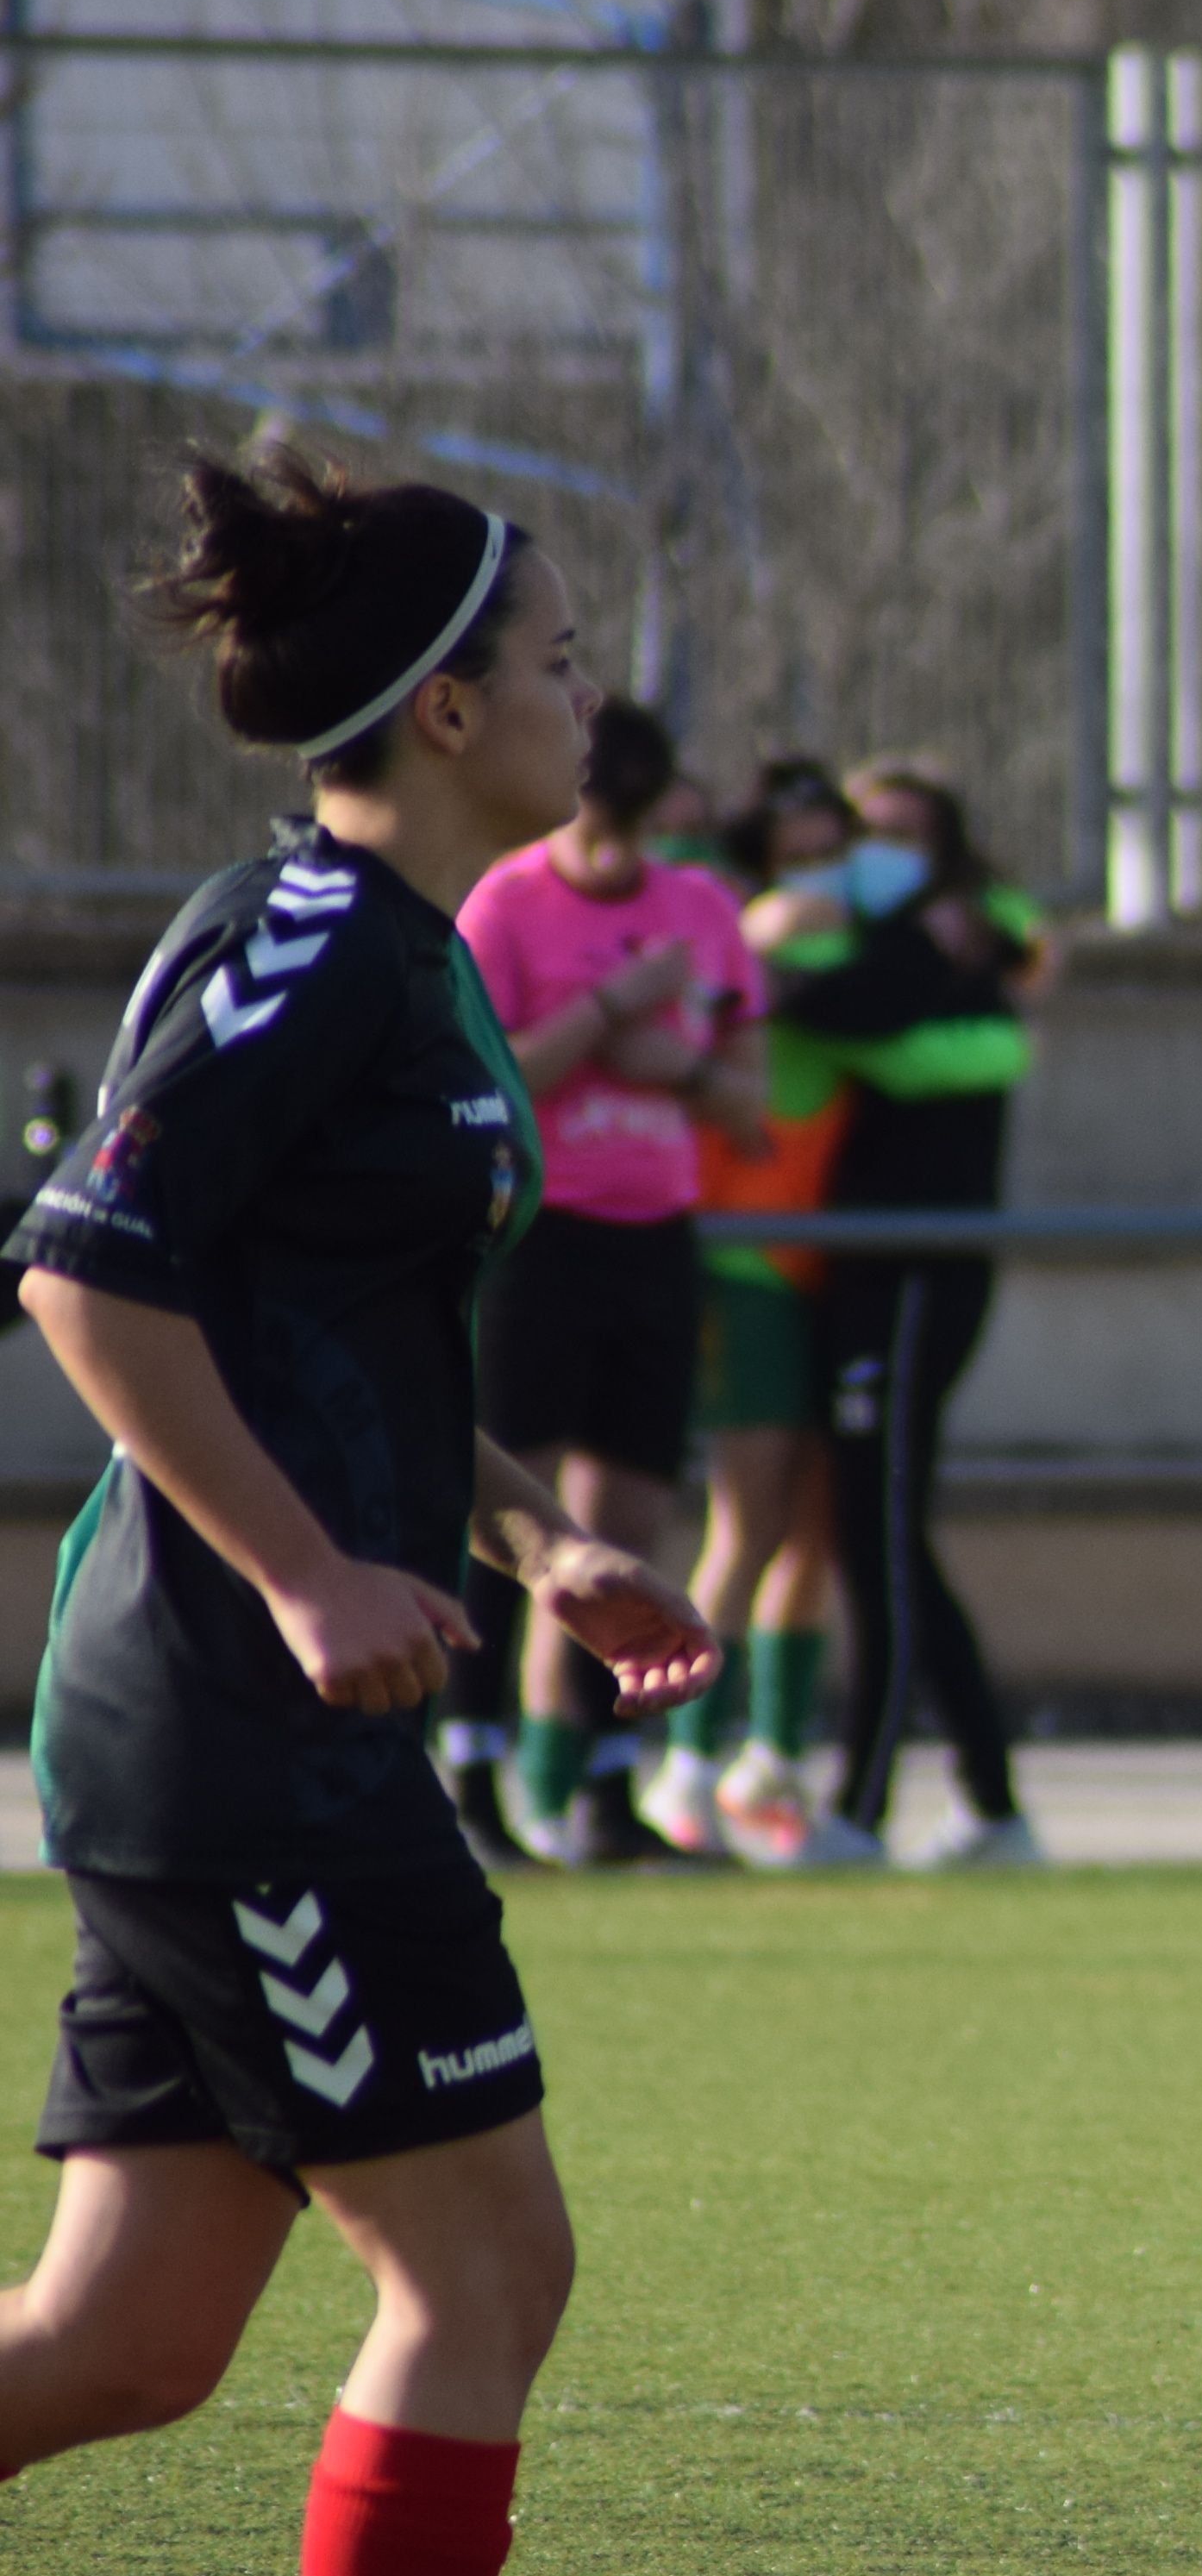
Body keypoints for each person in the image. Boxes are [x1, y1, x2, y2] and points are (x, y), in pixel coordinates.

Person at [0, 445, 717, 2576]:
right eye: (547, 660)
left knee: (124, 2343)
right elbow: (91, 1267)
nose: (582, 694)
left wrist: (530, 1543)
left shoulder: (405, 957)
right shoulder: (309, 936)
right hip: (243, 1740)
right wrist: (306, 1578)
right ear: (438, 709)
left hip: (236, 1728)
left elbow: (353, 1355)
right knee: (484, 2263)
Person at [442, 699, 760, 1869]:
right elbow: (485, 1069)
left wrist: (671, 1061)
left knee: (627, 1516)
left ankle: (601, 1783)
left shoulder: (702, 911)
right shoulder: (510, 898)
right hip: (538, 1232)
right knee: (505, 1515)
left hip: (655, 1236)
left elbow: (747, 1098)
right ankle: (473, 1781)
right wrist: (610, 1011)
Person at [761, 762, 1047, 1862]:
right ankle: (991, 1797)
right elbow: (813, 989)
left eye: (904, 838)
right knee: (881, 1532)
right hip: (856, 1271)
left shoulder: (962, 956)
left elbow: (975, 1004)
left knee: (881, 1529)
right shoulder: (884, 948)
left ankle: (862, 1806)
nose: (876, 856)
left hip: (921, 1275)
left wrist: (837, 974)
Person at [681, 762, 880, 1867]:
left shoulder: (858, 959)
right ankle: (689, 1761)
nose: (824, 874)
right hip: (749, 1261)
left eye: (832, 846)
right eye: (799, 850)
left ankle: (770, 1757)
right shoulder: (749, 938)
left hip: (825, 1262)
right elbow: (757, 937)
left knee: (814, 1525)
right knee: (746, 1520)